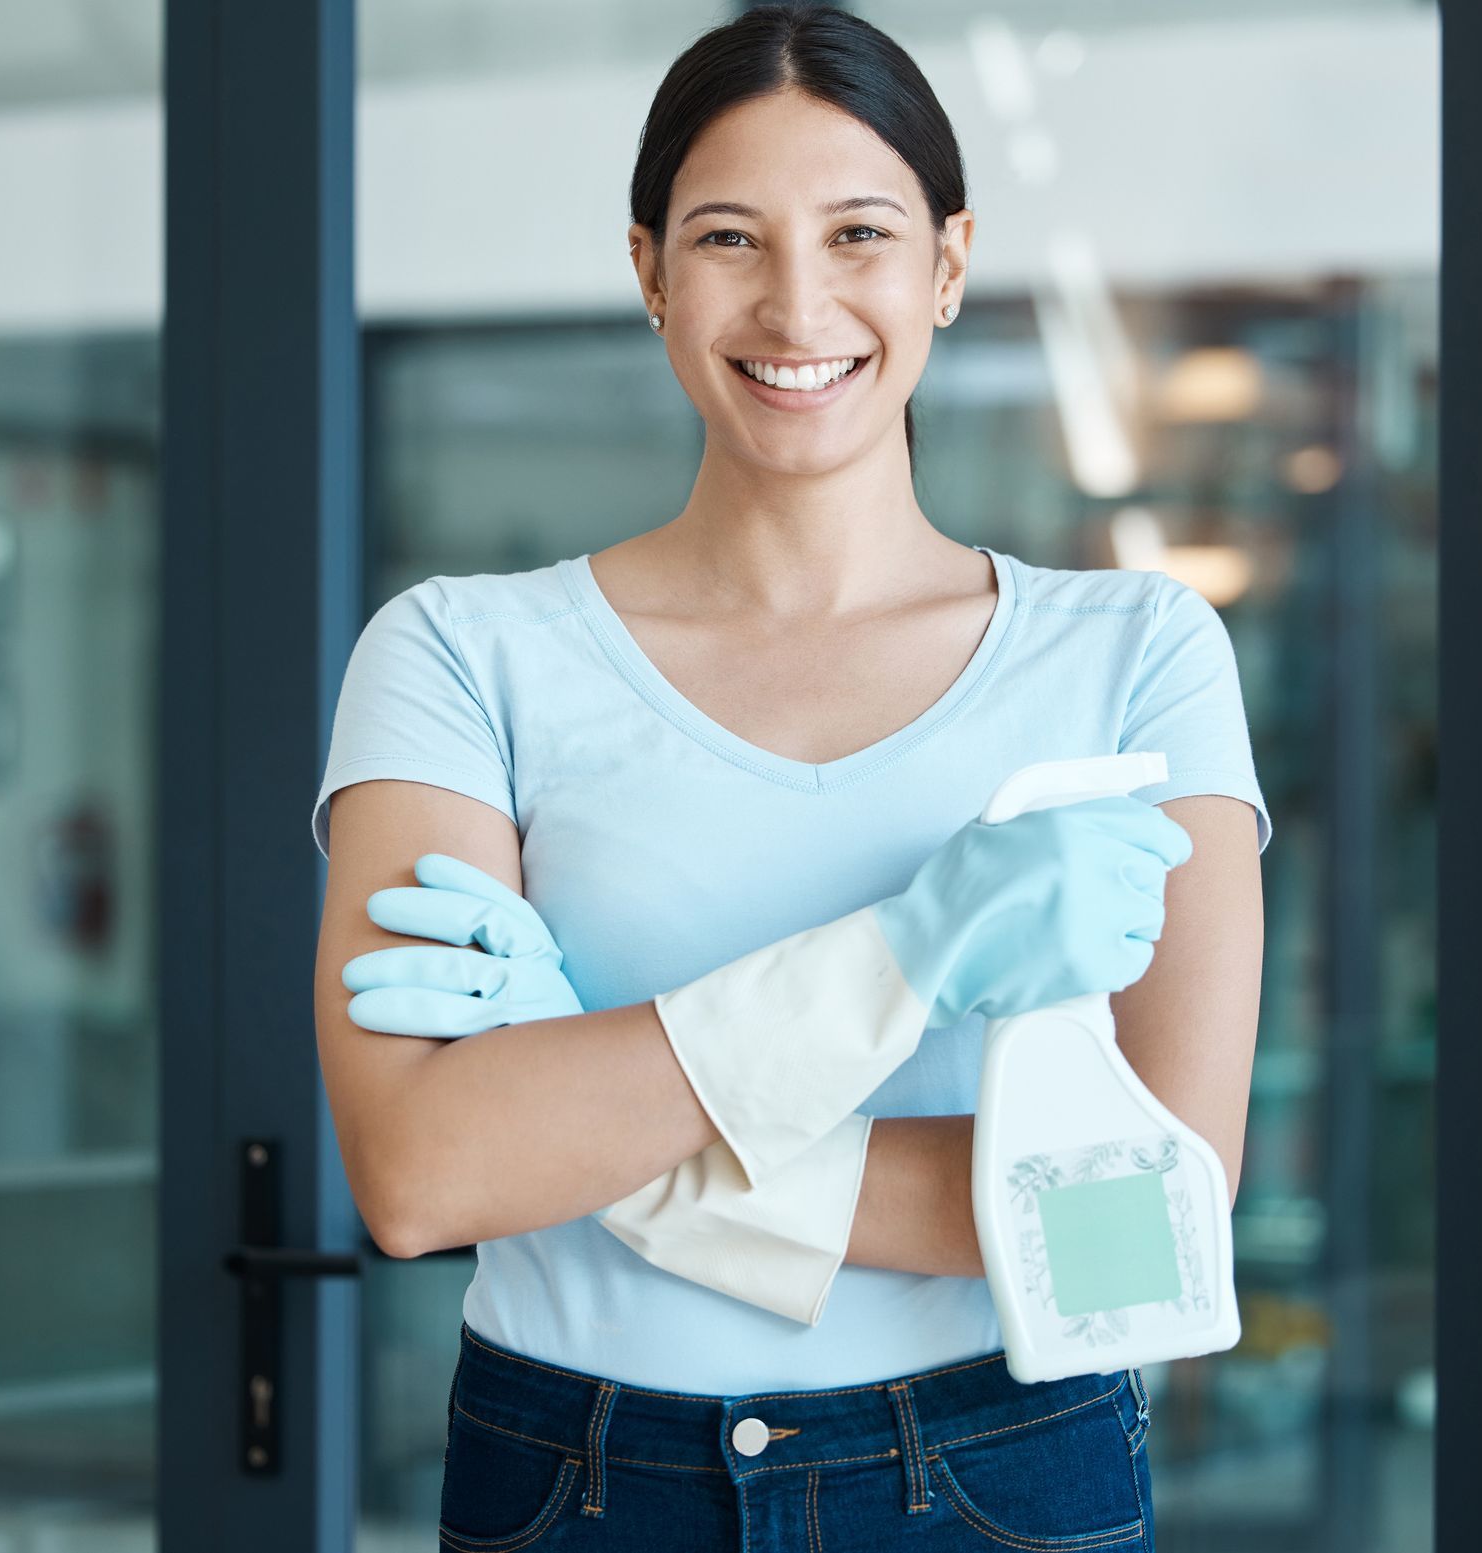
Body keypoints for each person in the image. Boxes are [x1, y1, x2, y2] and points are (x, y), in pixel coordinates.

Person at [311, 5, 1270, 1548]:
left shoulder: (1135, 651)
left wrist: (598, 1127)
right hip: (575, 1473)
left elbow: (1147, 1217)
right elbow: (424, 1172)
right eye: (728, 239)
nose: (795, 300)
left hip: (998, 1473)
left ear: (948, 265)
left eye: (861, 233)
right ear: (650, 272)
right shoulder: (459, 655)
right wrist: (910, 946)